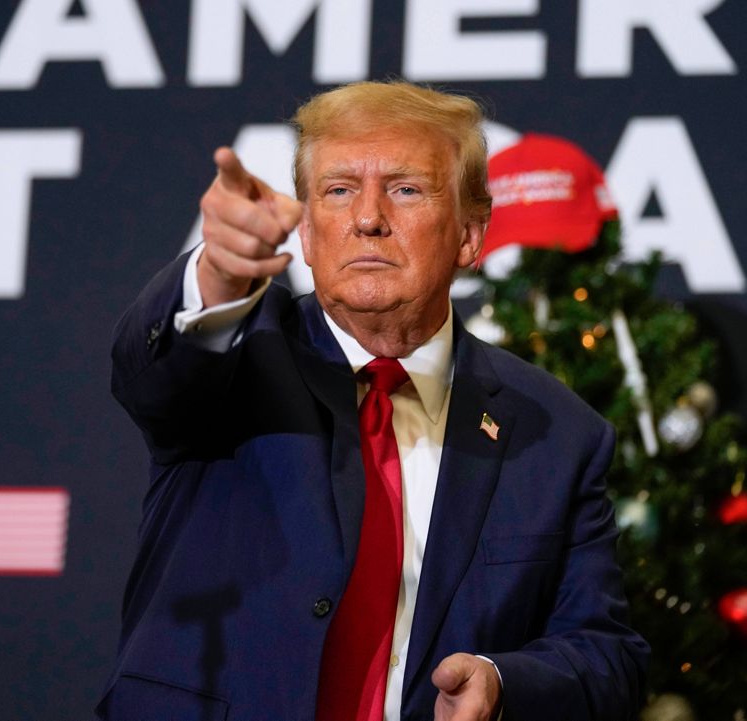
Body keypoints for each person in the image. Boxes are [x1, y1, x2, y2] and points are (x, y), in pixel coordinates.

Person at [100, 80, 647, 721]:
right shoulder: (237, 357)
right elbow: (150, 373)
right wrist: (218, 272)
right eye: (337, 191)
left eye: (405, 188)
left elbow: (608, 656)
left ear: (472, 235)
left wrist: (503, 684)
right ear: (306, 232)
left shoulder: (557, 433)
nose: (367, 218)